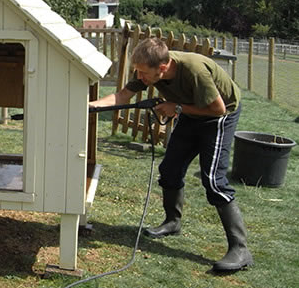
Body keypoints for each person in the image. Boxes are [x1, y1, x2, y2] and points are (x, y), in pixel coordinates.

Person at [90, 37, 253, 272]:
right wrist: (90, 105)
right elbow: (122, 96)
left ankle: (240, 249)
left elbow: (217, 109)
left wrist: (176, 107)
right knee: (169, 170)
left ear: (163, 68)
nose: (142, 78)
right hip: (191, 113)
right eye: (139, 72)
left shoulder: (194, 70)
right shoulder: (150, 67)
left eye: (145, 74)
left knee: (213, 181)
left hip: (219, 117)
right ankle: (172, 222)